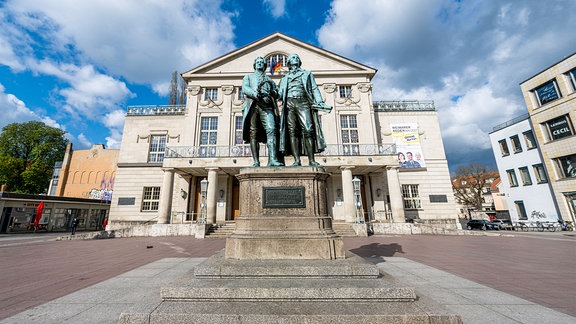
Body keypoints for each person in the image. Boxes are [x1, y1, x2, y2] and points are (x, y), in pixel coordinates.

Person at [278, 53, 331, 166]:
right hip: (289, 103)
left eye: (297, 57)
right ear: (288, 63)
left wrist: (320, 101)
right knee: (292, 131)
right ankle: (297, 160)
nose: (295, 58)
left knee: (308, 129)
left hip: (303, 102)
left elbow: (314, 88)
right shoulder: (285, 78)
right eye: (293, 57)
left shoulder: (307, 74)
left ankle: (311, 160)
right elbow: (280, 94)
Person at [241, 56, 284, 167]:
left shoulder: (269, 80)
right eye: (258, 62)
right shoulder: (248, 77)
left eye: (262, 62)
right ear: (254, 65)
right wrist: (254, 94)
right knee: (253, 133)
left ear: (265, 66)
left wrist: (274, 93)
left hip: (266, 107)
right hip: (252, 105)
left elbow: (278, 93)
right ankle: (256, 161)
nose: (260, 63)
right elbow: (245, 88)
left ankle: (273, 159)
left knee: (272, 130)